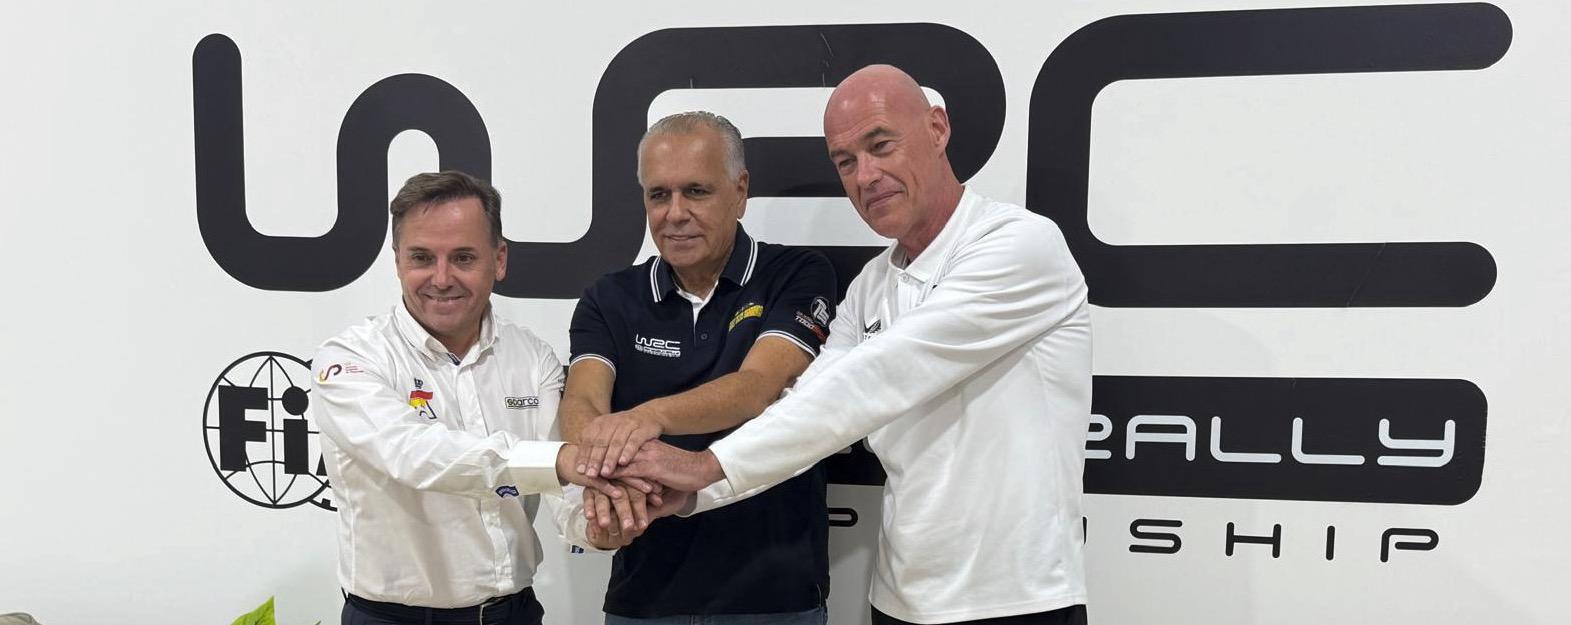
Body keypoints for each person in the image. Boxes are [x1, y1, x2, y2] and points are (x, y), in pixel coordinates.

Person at [608, 65, 1093, 625]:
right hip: (899, 600)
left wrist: (704, 464)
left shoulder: (1020, 244)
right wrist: (698, 492)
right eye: (845, 161)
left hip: (1018, 601)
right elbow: (809, 409)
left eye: (881, 146)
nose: (866, 175)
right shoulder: (870, 286)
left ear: (937, 129)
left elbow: (877, 378)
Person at [311, 170, 664, 625]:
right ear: (397, 261)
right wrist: (561, 462)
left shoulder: (532, 357)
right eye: (422, 257)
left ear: (499, 260)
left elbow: (568, 495)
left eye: (463, 257)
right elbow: (414, 454)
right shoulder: (350, 358)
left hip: (513, 614)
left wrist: (599, 524)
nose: (441, 278)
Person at [560, 111, 839, 624]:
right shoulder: (610, 297)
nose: (675, 214)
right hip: (643, 598)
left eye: (696, 191)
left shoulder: (796, 273)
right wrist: (605, 477)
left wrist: (645, 418)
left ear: (740, 190)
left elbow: (756, 388)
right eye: (658, 195)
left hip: (775, 597)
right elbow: (581, 403)